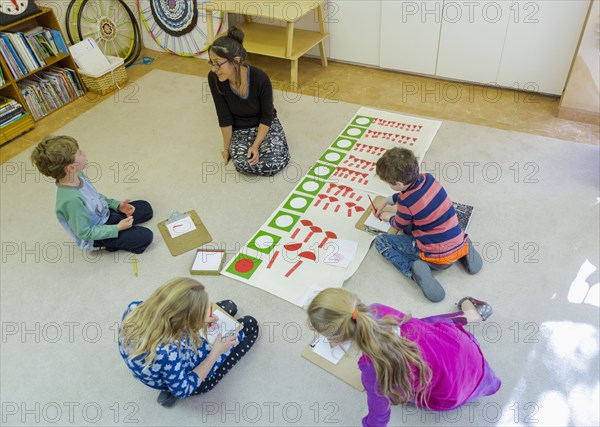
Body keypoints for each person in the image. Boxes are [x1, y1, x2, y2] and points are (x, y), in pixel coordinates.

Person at [307, 288, 500, 427]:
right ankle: (470, 315)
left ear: (338, 338)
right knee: (426, 325)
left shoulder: (372, 367)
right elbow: (417, 326)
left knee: (394, 386)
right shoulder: (378, 308)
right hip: (470, 357)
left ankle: (470, 315)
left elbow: (379, 415)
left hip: (452, 394)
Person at [118, 277, 259, 407]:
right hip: (191, 378)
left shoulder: (134, 308)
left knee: (229, 306)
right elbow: (183, 390)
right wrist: (216, 352)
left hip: (167, 358)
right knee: (249, 325)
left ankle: (172, 378)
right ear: (183, 322)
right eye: (197, 314)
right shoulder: (168, 352)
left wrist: (198, 320)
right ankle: (171, 387)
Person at [373, 147, 483, 302]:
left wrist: (386, 217)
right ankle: (464, 248)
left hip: (436, 258)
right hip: (455, 239)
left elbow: (398, 224)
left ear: (398, 184)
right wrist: (388, 199)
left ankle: (414, 271)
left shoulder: (406, 203)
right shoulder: (429, 179)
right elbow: (410, 194)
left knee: (381, 242)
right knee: (418, 223)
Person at [30, 135, 153, 254]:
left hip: (105, 214)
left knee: (145, 208)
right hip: (96, 233)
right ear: (71, 168)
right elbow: (85, 232)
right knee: (145, 237)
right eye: (79, 153)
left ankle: (118, 224)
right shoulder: (71, 201)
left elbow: (95, 197)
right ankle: (108, 244)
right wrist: (117, 228)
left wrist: (117, 205)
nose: (84, 153)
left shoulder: (78, 175)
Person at [207, 26, 290, 176]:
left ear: (236, 61)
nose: (214, 69)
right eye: (212, 63)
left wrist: (256, 145)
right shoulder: (214, 79)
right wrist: (227, 148)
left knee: (274, 162)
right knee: (242, 164)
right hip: (240, 130)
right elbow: (224, 116)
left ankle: (272, 147)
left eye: (218, 63)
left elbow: (267, 116)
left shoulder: (260, 78)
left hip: (264, 125)